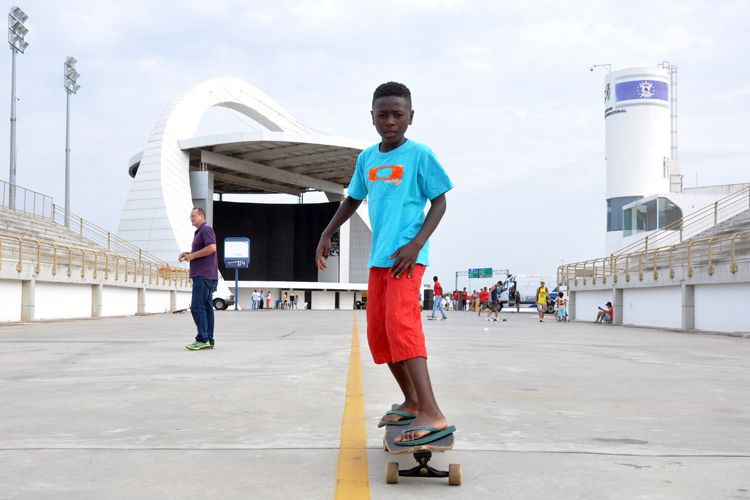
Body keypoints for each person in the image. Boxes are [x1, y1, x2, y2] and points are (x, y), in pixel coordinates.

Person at [315, 81, 455, 445]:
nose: (390, 121)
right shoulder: (368, 158)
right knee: (381, 335)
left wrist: (417, 243)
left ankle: (432, 412)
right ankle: (411, 401)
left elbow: (439, 202)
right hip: (380, 262)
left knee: (403, 328)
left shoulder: (420, 155)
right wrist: (326, 233)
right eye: (383, 115)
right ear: (372, 117)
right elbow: (352, 200)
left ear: (411, 116)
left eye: (398, 114)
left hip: (407, 260)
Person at [179, 207, 218, 350]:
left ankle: (202, 339)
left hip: (203, 276)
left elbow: (212, 248)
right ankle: (208, 339)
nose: (191, 218)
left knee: (197, 307)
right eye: (190, 216)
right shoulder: (200, 232)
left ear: (201, 216)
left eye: (193, 215)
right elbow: (205, 250)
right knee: (207, 308)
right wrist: (188, 253)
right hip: (205, 276)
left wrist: (193, 256)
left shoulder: (205, 229)